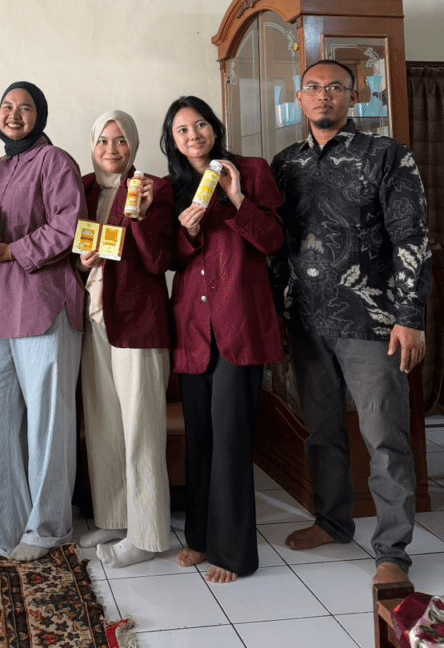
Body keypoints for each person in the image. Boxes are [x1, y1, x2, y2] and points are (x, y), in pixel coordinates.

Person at [270, 59, 431, 586]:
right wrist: (274, 314)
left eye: (335, 87)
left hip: (372, 321)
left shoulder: (387, 154)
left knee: (384, 436)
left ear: (353, 97)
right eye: (313, 88)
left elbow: (411, 238)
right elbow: (276, 246)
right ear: (299, 98)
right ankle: (333, 522)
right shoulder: (285, 164)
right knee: (322, 431)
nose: (324, 95)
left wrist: (410, 317)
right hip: (306, 319)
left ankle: (392, 551)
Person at [161, 95, 285, 584]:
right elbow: (168, 259)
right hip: (193, 326)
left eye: (200, 125)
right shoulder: (172, 188)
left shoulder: (250, 171)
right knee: (200, 437)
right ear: (172, 141)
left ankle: (234, 554)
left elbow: (273, 241)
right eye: (182, 130)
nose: (193, 135)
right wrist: (186, 233)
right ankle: (199, 537)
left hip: (240, 322)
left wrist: (237, 198)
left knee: (231, 436)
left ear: (215, 128)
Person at [0, 81, 86, 561]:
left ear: (41, 115)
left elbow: (68, 227)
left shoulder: (56, 162)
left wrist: (12, 250)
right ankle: (3, 527)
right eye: (7, 106)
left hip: (43, 307)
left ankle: (48, 528)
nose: (14, 114)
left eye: (26, 107)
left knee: (48, 425)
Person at [77, 110, 175, 568]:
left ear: (133, 145)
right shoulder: (82, 188)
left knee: (141, 427)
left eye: (120, 141)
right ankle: (116, 518)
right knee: (103, 423)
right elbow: (72, 251)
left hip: (139, 321)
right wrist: (81, 261)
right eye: (103, 141)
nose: (111, 149)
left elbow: (158, 261)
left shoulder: (156, 187)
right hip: (94, 318)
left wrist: (142, 214)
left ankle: (149, 534)